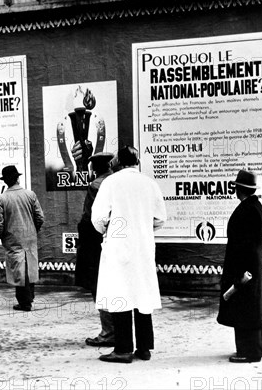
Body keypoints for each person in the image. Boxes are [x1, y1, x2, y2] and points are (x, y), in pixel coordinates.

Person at [91, 146, 166, 363]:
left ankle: (123, 349)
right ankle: (144, 348)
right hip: (143, 248)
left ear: (117, 162)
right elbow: (160, 219)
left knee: (120, 295)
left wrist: (110, 229)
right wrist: (142, 228)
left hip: (118, 247)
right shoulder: (149, 183)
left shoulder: (111, 183)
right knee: (142, 295)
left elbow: (98, 219)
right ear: (136, 161)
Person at [217, 169, 262, 363]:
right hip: (252, 266)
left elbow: (243, 244)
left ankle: (248, 352)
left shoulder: (247, 210)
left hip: (244, 268)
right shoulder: (256, 208)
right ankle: (253, 349)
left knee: (245, 308)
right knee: (252, 308)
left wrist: (239, 274)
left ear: (239, 189)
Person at [74, 152, 116, 347]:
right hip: (118, 240)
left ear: (94, 168)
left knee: (99, 287)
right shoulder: (118, 182)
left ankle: (108, 332)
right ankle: (118, 330)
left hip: (96, 243)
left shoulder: (96, 186)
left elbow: (90, 218)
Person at [0, 165, 45, 311]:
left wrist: (2, 234)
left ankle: (24, 302)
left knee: (19, 270)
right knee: (30, 268)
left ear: (5, 181)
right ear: (17, 178)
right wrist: (33, 230)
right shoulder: (30, 194)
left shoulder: (2, 198)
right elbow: (40, 217)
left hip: (13, 238)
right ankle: (29, 298)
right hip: (30, 237)